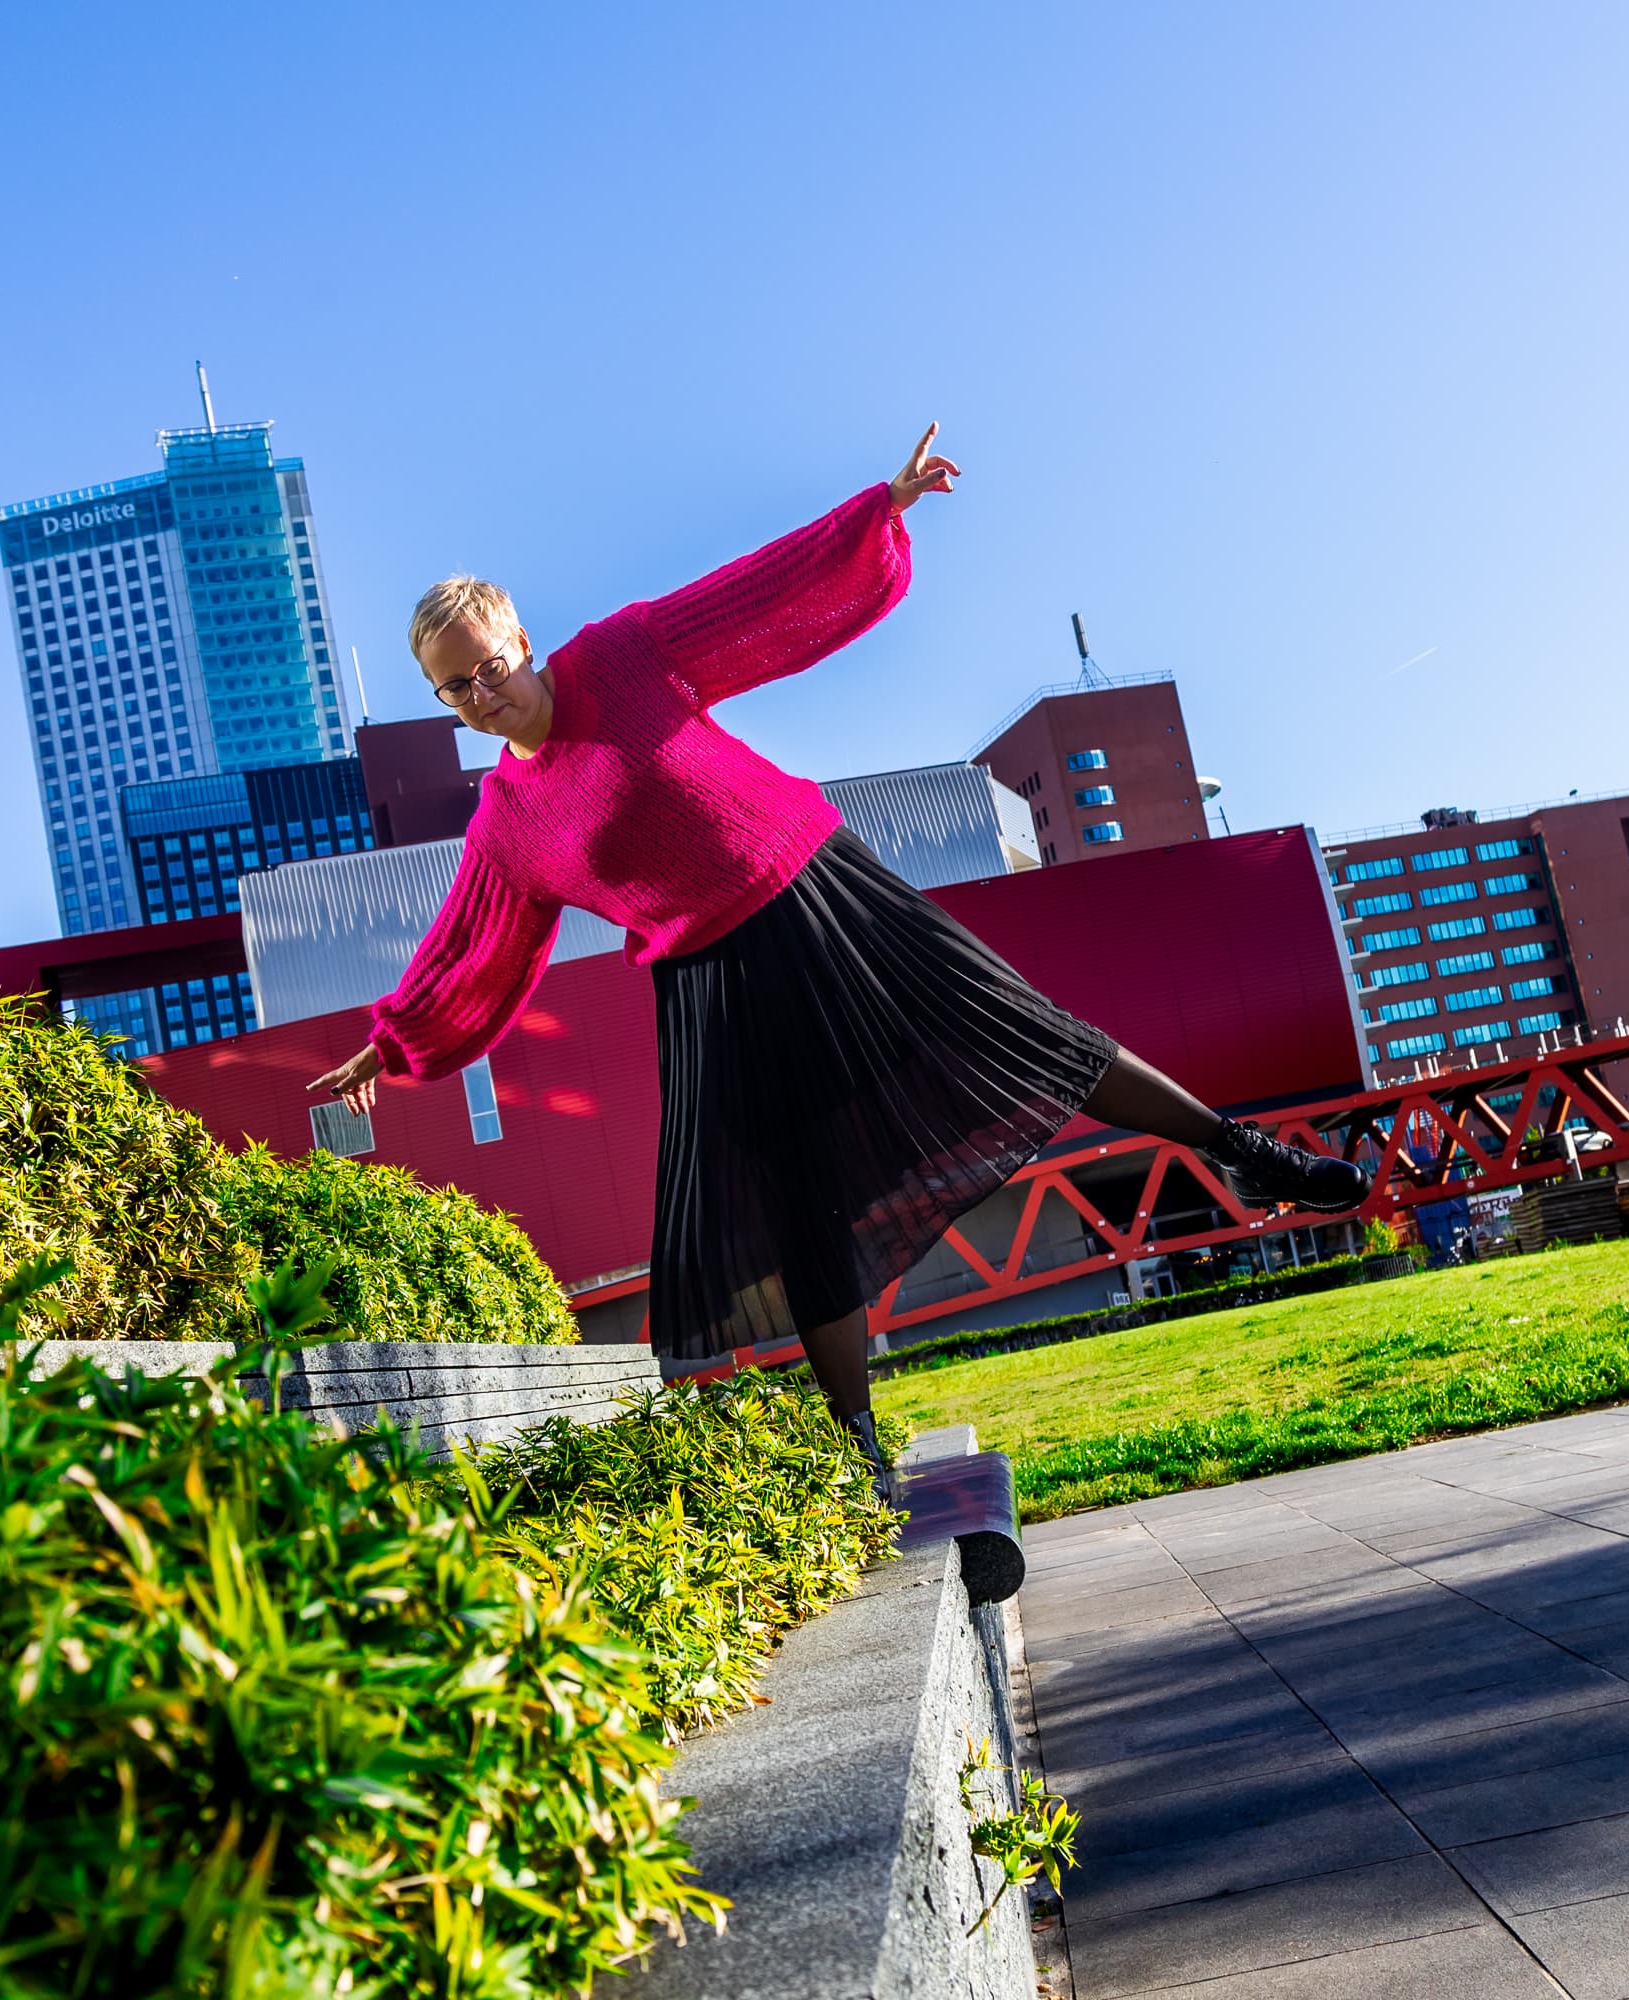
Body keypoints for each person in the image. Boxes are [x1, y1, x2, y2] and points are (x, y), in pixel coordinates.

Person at [310, 428, 1369, 1495]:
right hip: (711, 983)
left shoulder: (619, 657)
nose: (483, 692)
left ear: (521, 640)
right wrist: (387, 1046)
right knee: (798, 1205)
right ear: (444, 702)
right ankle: (858, 1442)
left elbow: (751, 595)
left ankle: (1245, 1151)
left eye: (490, 664)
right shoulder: (507, 820)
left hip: (820, 890)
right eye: (457, 688)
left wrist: (881, 510)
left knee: (1026, 1036)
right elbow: (471, 944)